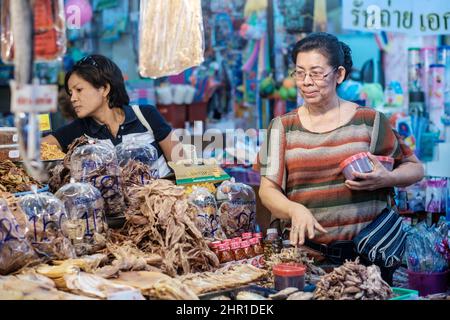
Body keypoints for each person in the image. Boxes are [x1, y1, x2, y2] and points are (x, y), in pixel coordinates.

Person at [258, 32, 424, 284]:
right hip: (308, 263)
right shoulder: (282, 126)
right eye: (299, 73)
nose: (306, 82)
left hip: (369, 262)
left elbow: (415, 168)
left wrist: (385, 178)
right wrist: (294, 209)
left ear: (340, 75)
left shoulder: (369, 121)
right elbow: (267, 190)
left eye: (316, 73)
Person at [43, 54, 182, 177]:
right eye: (71, 92)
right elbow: (38, 149)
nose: (73, 98)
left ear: (104, 89)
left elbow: (183, 165)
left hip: (162, 201)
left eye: (79, 90)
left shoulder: (146, 116)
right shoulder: (79, 130)